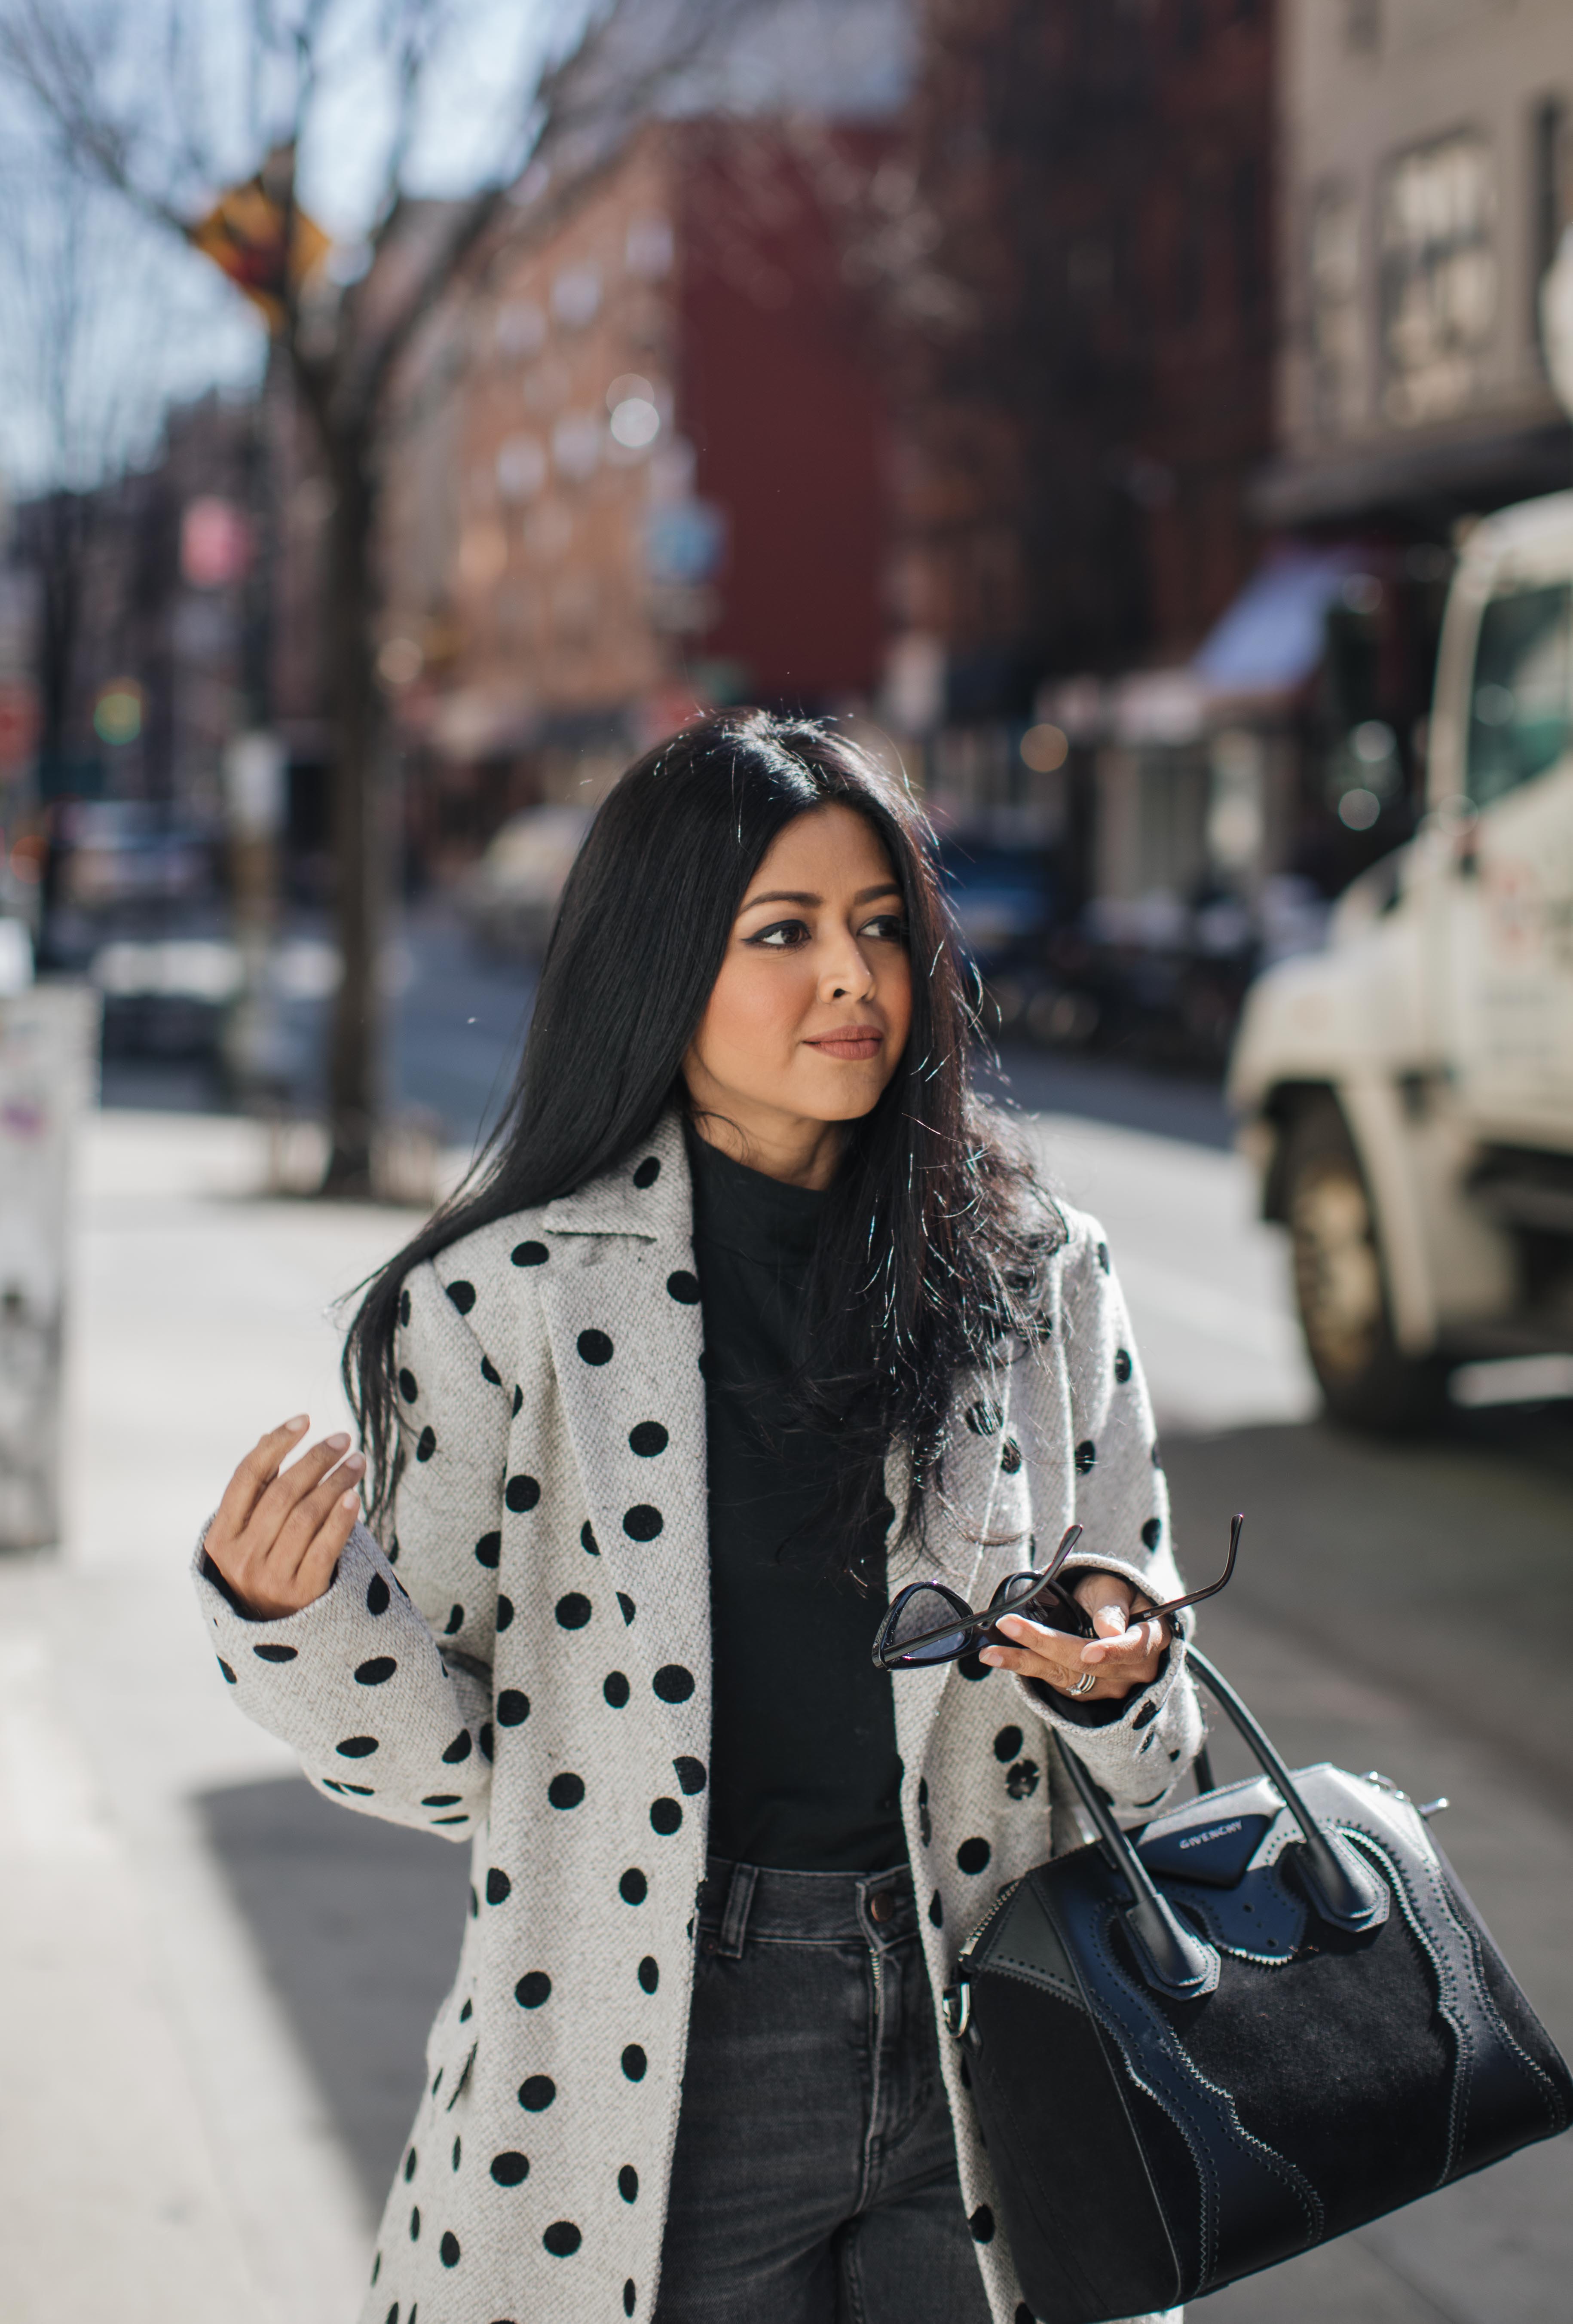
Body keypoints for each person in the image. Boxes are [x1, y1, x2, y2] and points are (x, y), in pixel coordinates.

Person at [196, 714, 1202, 2324]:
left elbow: (1153, 1696)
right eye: (782, 933)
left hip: (1004, 2007)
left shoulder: (1036, 1271)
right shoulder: (493, 1306)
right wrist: (295, 1624)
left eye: (881, 926)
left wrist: (1122, 1671)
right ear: (662, 960)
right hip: (654, 2042)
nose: (852, 979)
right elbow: (453, 1772)